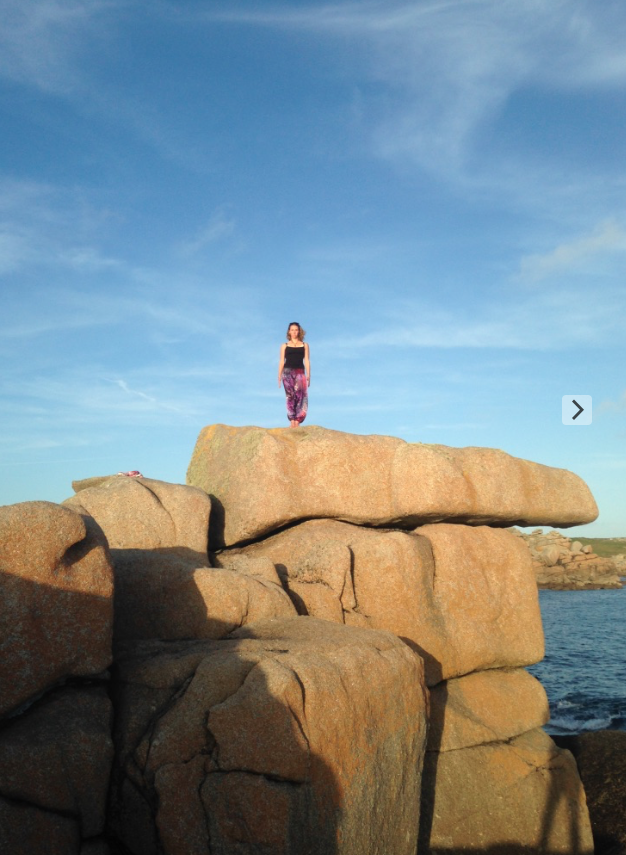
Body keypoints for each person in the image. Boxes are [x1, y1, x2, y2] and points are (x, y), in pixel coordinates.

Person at [278, 322, 310, 427]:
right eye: (292, 330)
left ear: (299, 331)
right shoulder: (284, 345)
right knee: (290, 396)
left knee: (300, 395)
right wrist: (279, 375)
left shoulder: (305, 345)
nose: (294, 332)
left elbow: (307, 360)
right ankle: (292, 420)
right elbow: (281, 361)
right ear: (289, 332)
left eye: (296, 330)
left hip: (300, 372)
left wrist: (308, 375)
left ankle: (298, 420)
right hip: (287, 372)